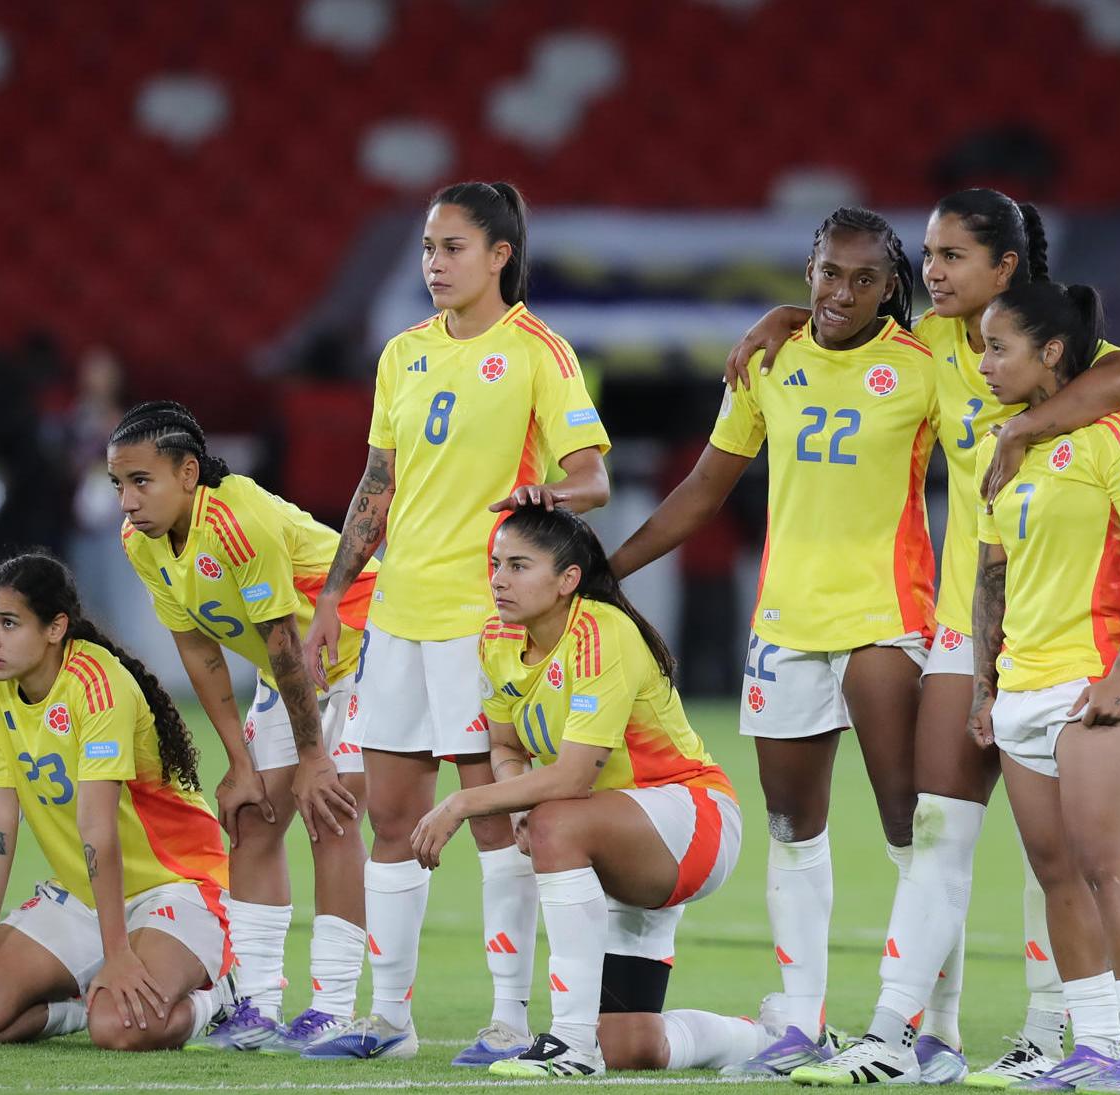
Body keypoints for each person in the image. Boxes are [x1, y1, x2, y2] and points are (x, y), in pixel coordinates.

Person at [728, 191, 1120, 1087]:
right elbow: (848, 316)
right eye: (928, 253)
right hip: (966, 625)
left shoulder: (1049, 351)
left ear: (1005, 269)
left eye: (953, 255)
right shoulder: (935, 351)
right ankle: (904, 1032)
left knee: (1060, 851)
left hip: (1060, 637)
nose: (933, 270)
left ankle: (1053, 1029)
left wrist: (1029, 425)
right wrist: (789, 314)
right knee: (935, 830)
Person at [610, 207, 938, 1077]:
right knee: (794, 828)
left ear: (891, 286)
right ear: (808, 267)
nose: (842, 291)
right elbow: (704, 487)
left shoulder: (924, 366)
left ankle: (922, 1028)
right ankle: (799, 1021)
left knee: (910, 828)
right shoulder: (767, 361)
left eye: (864, 278)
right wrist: (610, 569)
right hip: (786, 624)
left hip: (886, 617)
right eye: (829, 272)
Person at [301, 180, 611, 1063]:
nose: (434, 264)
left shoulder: (537, 353)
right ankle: (388, 1017)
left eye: (453, 248)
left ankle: (508, 1016)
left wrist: (550, 491)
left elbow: (590, 476)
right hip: (398, 615)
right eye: (428, 249)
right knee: (390, 816)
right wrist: (333, 597)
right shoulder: (401, 352)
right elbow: (375, 485)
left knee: (491, 821)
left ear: (499, 255)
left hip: (487, 622)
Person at [410, 507, 759, 1078]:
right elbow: (505, 747)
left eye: (519, 565)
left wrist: (463, 803)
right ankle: (761, 1039)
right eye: (496, 564)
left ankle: (569, 1043)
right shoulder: (498, 637)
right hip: (615, 834)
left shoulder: (598, 629)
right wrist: (517, 800)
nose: (499, 579)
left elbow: (572, 779)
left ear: (568, 579)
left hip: (691, 821)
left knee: (556, 820)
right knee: (633, 1047)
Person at [967, 282, 1120, 1095]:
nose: (984, 364)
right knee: (1054, 874)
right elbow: (993, 577)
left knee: (1104, 863)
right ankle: (1090, 1046)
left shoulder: (1119, 436)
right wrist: (985, 686)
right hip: (1021, 684)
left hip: (1093, 681)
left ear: (1049, 352)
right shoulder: (1006, 447)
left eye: (998, 348)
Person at [109, 400, 374, 1052]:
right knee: (254, 813)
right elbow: (198, 650)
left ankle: (332, 1009)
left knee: (330, 808)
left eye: (140, 481)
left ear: (188, 472)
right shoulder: (141, 541)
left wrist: (312, 759)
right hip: (290, 671)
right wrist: (239, 761)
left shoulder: (236, 521)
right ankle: (255, 1003)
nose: (126, 500)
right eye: (116, 483)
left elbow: (282, 638)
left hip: (368, 650)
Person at [0, 553, 235, 1051]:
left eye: (9, 622)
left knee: (118, 1028)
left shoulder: (97, 683)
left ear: (55, 628)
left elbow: (97, 829)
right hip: (83, 894)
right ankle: (77, 1008)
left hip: (175, 886)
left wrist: (117, 953)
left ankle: (218, 997)